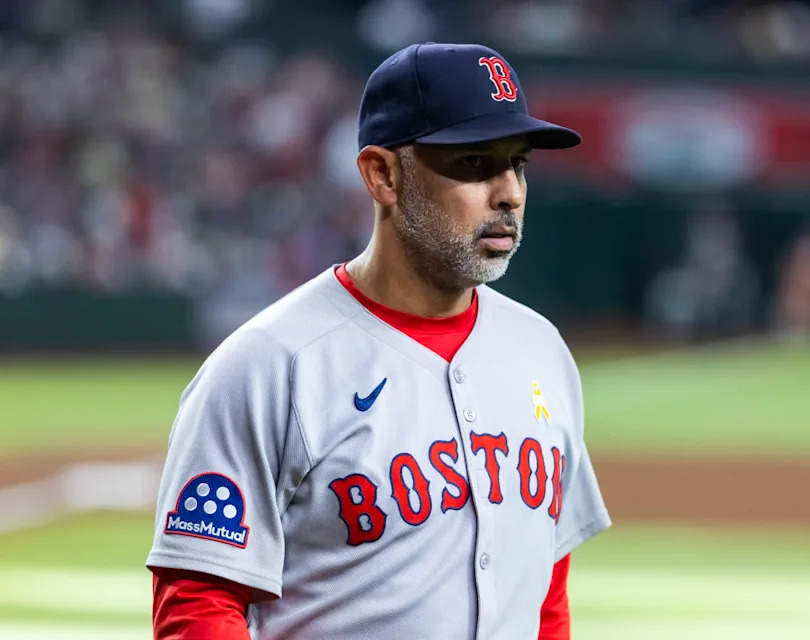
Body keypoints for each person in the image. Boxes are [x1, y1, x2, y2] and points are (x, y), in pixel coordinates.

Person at [147, 42, 611, 640]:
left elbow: (544, 590)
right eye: (475, 164)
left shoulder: (541, 350)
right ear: (382, 175)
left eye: (517, 163)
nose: (510, 193)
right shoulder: (270, 365)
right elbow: (200, 603)